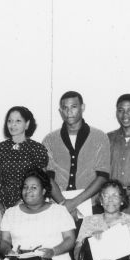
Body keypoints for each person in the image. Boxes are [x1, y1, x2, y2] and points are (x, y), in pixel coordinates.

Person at [42, 91, 110, 219]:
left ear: (82, 107)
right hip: (57, 206)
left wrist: (73, 203)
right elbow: (47, 176)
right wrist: (63, 203)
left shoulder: (100, 137)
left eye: (73, 107)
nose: (69, 112)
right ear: (60, 111)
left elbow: (102, 176)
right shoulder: (50, 139)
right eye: (65, 108)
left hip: (91, 206)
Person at [0, 107, 48, 213]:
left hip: (28, 201)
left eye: (18, 121)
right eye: (10, 121)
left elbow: (43, 181)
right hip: (2, 204)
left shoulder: (37, 149)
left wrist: (22, 201)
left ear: (27, 124)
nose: (13, 125)